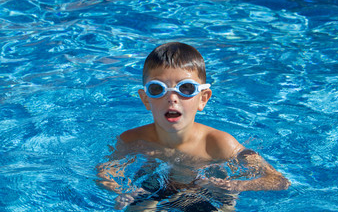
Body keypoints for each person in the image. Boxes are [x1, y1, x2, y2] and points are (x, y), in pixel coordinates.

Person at [97, 42, 291, 210]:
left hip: (207, 190)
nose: (172, 98)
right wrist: (122, 190)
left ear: (203, 99)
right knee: (138, 206)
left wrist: (236, 186)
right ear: (146, 99)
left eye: (186, 89)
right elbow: (105, 171)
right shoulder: (132, 140)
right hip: (155, 184)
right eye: (158, 89)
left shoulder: (220, 144)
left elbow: (278, 180)